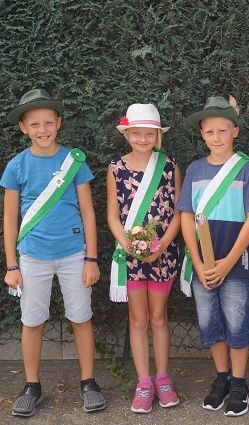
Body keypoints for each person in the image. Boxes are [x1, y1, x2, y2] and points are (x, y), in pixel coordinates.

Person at [1, 89, 105, 417]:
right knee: (32, 322)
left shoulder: (74, 161)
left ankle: (88, 382)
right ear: (23, 128)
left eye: (48, 122)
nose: (42, 129)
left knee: (81, 318)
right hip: (32, 256)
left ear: (59, 122)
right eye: (34, 124)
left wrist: (91, 258)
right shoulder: (17, 166)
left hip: (74, 254)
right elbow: (10, 218)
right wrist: (11, 265)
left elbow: (88, 212)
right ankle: (32, 386)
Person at [176, 95, 249, 417]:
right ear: (202, 134)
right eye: (209, 131)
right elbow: (186, 216)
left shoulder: (247, 169)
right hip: (203, 264)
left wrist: (228, 261)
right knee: (209, 322)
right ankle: (222, 378)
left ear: (234, 131)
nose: (216, 137)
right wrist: (198, 262)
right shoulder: (195, 169)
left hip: (236, 262)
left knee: (238, 323)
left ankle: (239, 383)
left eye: (222, 131)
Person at [106, 103, 182, 413]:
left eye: (149, 134)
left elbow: (178, 212)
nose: (142, 139)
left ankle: (163, 379)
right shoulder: (115, 167)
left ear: (158, 135)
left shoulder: (169, 165)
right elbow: (112, 215)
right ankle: (144, 382)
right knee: (138, 319)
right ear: (126, 134)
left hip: (163, 253)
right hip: (131, 256)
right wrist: (128, 245)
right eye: (136, 133)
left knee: (159, 317)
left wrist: (162, 245)